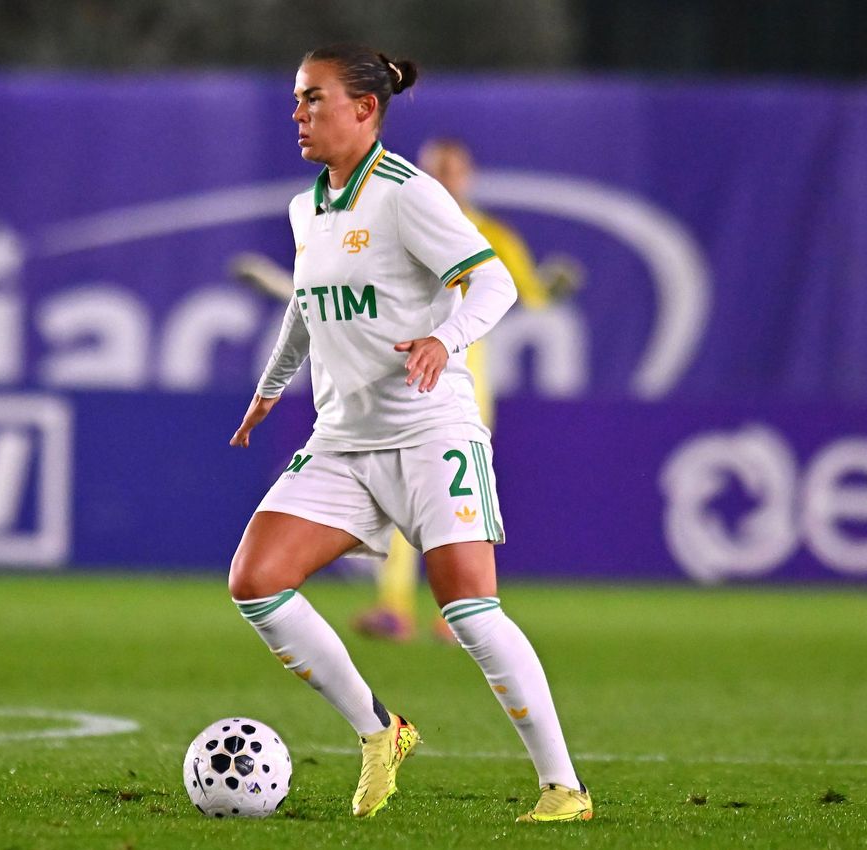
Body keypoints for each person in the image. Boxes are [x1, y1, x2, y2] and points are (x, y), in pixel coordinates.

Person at [227, 44, 591, 823]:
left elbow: (491, 280)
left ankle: (563, 787)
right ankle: (379, 730)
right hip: (343, 439)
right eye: (295, 98)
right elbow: (302, 303)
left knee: (468, 610)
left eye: (313, 99)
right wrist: (269, 388)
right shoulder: (307, 206)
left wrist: (444, 338)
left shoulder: (407, 193)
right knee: (256, 582)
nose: (297, 113)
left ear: (364, 108)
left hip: (430, 432)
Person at [232, 139, 583, 643]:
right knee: (398, 499)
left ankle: (462, 609)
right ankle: (396, 607)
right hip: (390, 381)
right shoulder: (393, 213)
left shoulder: (492, 235)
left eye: (453, 169)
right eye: (436, 167)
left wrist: (550, 287)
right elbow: (338, 292)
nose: (445, 176)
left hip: (459, 385)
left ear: (469, 175)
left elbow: (520, 293)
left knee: (453, 503)